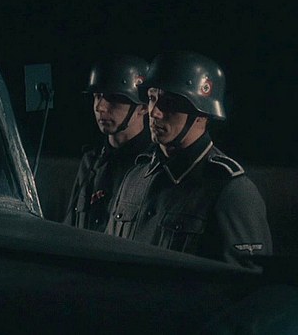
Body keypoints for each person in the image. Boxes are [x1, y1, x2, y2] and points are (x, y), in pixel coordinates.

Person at [105, 51, 272, 268]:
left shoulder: (231, 191)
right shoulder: (136, 177)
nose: (154, 112)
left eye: (170, 102)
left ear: (202, 113)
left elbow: (245, 280)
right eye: (152, 99)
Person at [63, 55, 151, 232]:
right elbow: (70, 226)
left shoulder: (151, 167)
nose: (100, 107)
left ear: (143, 107)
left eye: (113, 98)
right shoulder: (92, 161)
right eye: (97, 96)